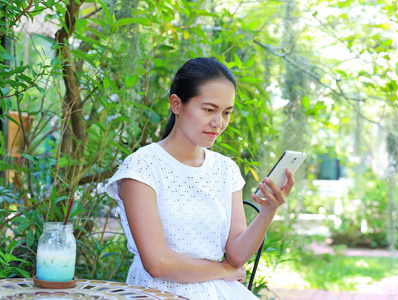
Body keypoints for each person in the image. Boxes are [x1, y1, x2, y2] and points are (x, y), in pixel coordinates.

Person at [106, 57, 294, 299]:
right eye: (209, 110)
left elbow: (237, 255)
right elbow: (158, 264)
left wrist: (268, 211)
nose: (219, 123)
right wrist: (223, 269)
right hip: (158, 293)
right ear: (176, 104)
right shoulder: (142, 167)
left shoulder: (226, 169)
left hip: (219, 291)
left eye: (226, 112)